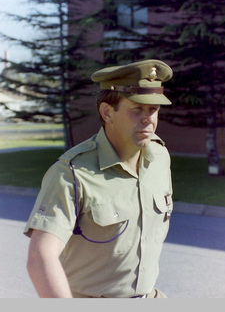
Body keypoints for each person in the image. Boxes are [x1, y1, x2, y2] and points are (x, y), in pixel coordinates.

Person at [23, 59, 174, 298]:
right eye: (137, 109)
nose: (148, 119)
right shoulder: (72, 173)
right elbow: (41, 258)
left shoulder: (160, 156)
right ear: (107, 112)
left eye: (153, 110)